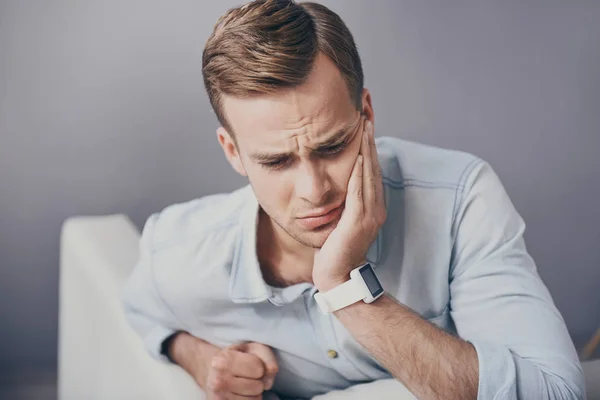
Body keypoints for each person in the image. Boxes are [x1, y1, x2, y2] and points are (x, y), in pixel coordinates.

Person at [122, 1, 585, 399]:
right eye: (277, 162)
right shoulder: (178, 249)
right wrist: (196, 357)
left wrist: (346, 289)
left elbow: (556, 393)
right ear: (233, 152)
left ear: (366, 114)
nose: (314, 189)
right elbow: (141, 311)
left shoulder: (460, 200)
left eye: (332, 146)